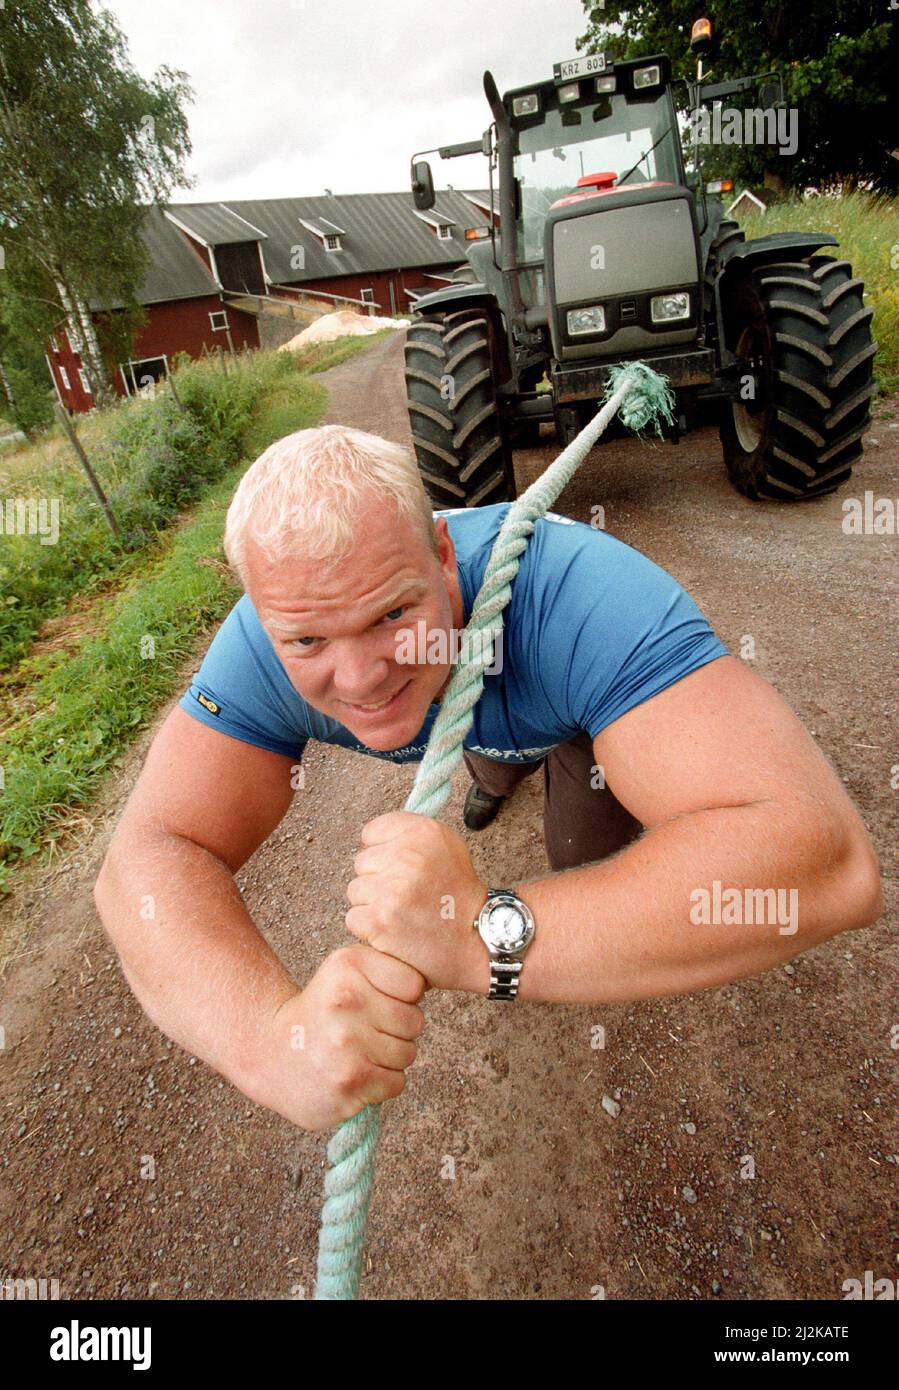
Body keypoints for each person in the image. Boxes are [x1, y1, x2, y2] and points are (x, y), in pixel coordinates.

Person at [92, 424, 883, 1133]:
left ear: (442, 555)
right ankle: (491, 773)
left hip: (577, 724)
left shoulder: (585, 597)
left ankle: (525, 775)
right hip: (467, 709)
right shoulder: (261, 641)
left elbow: (823, 859)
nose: (361, 678)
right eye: (306, 641)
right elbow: (151, 850)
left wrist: (485, 935)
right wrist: (267, 1044)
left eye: (391, 615)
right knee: (474, 745)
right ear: (264, 616)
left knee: (580, 859)